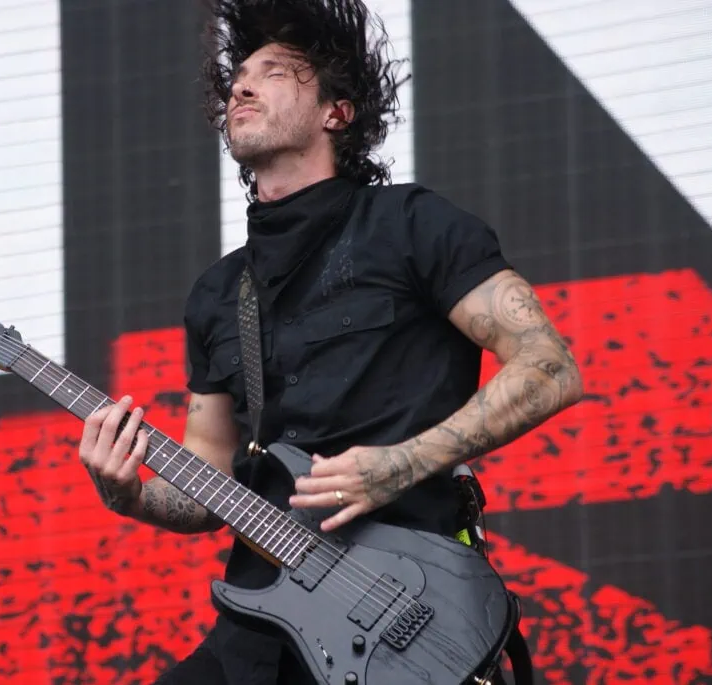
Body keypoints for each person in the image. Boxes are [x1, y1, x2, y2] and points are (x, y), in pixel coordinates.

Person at [77, 1, 585, 683]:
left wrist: (401, 463)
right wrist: (130, 495)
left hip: (408, 614)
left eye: (274, 72)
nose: (242, 86)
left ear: (336, 113)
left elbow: (550, 366)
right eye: (238, 77)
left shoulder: (412, 225)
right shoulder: (218, 294)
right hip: (261, 627)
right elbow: (207, 479)